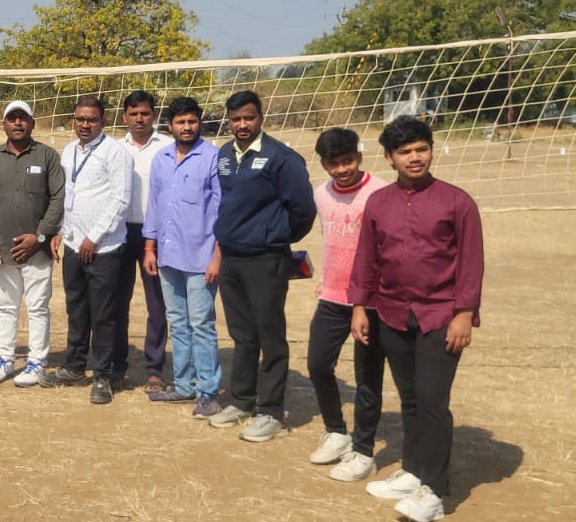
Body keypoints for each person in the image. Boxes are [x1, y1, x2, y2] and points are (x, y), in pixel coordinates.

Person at [351, 116, 484, 522]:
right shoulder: (378, 203)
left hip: (440, 315)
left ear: (431, 150)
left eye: (421, 149)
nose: (415, 158)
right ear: (389, 158)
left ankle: (435, 492)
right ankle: (412, 471)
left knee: (431, 400)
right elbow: (367, 258)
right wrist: (360, 306)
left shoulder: (457, 202)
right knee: (409, 398)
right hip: (392, 313)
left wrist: (464, 313)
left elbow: (471, 262)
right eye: (405, 151)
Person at [205, 91, 317, 442]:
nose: (242, 124)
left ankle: (271, 412)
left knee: (270, 334)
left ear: (261, 118)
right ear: (228, 120)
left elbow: (304, 210)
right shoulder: (224, 154)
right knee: (242, 333)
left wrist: (274, 236)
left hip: (266, 259)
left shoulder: (282, 158)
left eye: (248, 117)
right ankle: (241, 400)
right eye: (236, 118)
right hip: (232, 258)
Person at [306, 127, 390, 482]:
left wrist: (371, 296)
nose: (342, 169)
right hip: (332, 298)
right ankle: (337, 432)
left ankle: (364, 450)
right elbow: (329, 238)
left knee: (367, 377)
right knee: (318, 364)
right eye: (334, 164)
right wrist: (327, 277)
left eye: (348, 161)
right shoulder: (321, 193)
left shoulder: (380, 193)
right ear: (323, 164)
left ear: (359, 156)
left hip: (370, 302)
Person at [140, 97, 223, 418]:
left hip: (201, 256)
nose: (186, 127)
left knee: (201, 324)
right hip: (168, 256)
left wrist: (217, 256)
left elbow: (222, 210)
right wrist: (150, 248)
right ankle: (184, 384)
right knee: (177, 322)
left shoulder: (212, 157)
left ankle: (208, 391)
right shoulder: (161, 159)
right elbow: (154, 206)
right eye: (180, 122)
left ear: (199, 123)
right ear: (170, 125)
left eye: (192, 121)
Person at [0, 100, 64, 387]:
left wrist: (39, 236)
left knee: (37, 307)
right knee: (6, 307)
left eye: (23, 118)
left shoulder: (47, 156)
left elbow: (58, 199)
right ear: (3, 124)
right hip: (2, 248)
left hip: (37, 251)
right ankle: (5, 359)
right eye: (12, 118)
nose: (18, 123)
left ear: (32, 124)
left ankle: (37, 362)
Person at [49, 95, 132, 405]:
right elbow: (67, 195)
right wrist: (61, 231)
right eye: (80, 119)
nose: (85, 125)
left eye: (91, 119)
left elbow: (120, 200)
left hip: (104, 248)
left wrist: (93, 238)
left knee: (104, 314)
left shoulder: (116, 153)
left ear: (103, 121)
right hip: (74, 244)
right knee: (77, 308)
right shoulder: (70, 150)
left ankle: (104, 375)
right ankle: (74, 366)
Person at [117, 90, 171, 398]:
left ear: (154, 115)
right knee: (117, 301)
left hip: (157, 235)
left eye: (145, 113)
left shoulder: (167, 146)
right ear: (124, 116)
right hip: (120, 232)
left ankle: (154, 368)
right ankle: (117, 365)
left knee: (157, 302)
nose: (139, 119)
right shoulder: (114, 147)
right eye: (134, 114)